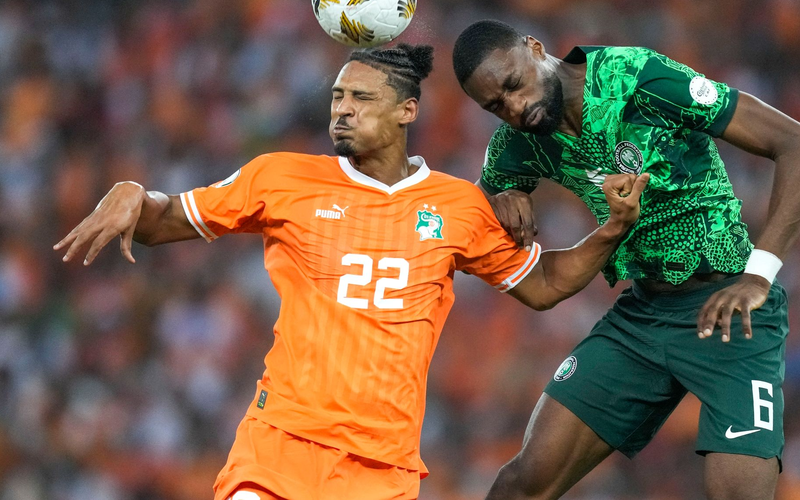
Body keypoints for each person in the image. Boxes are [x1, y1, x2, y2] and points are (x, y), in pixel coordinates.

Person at [55, 43, 646, 500]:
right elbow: (168, 221)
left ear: (406, 110)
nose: (341, 109)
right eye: (337, 97)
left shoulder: (459, 205)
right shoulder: (280, 178)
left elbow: (543, 286)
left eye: (360, 98)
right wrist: (135, 192)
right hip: (279, 446)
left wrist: (612, 229)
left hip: (381, 468)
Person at [452, 19, 800, 500]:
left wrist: (759, 275)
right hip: (643, 317)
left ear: (535, 48)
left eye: (513, 85)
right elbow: (478, 198)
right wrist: (502, 193)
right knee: (522, 484)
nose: (515, 108)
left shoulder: (637, 78)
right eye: (495, 106)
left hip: (730, 308)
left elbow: (793, 142)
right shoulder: (519, 141)